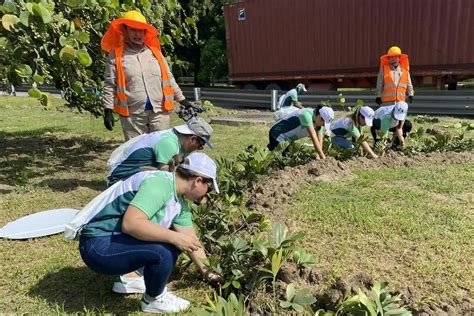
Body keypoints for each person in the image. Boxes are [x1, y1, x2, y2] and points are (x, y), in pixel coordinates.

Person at [78, 153, 222, 313]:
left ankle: (129, 278)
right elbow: (131, 224)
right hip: (97, 246)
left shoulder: (179, 201)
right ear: (198, 181)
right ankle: (153, 300)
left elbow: (191, 240)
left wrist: (210, 274)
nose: (205, 195)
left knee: (174, 242)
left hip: (114, 242)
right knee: (165, 249)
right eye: (208, 189)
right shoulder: (160, 183)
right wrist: (175, 237)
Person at [101, 10, 194, 140]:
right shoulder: (115, 56)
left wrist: (183, 100)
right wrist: (108, 111)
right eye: (133, 30)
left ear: (145, 33)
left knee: (161, 149)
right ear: (125, 31)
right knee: (138, 152)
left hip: (160, 111)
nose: (137, 34)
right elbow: (109, 86)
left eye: (140, 30)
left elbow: (169, 79)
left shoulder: (155, 53)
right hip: (132, 115)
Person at [107, 117, 213, 186]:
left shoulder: (177, 139)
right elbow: (166, 175)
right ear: (193, 139)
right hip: (120, 180)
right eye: (200, 145)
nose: (198, 149)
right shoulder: (168, 143)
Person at [267, 105, 334, 159]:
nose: (323, 126)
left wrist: (319, 156)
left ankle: (270, 148)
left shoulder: (318, 123)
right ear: (320, 117)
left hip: (287, 140)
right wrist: (322, 156)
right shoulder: (306, 115)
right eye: (323, 124)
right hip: (277, 134)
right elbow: (313, 137)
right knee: (281, 159)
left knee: (289, 157)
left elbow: (320, 141)